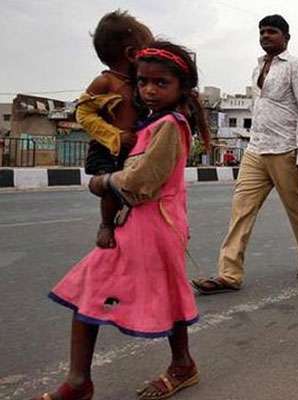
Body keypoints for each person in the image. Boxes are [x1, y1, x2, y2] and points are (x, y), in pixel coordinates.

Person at [35, 41, 209, 400]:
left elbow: (142, 181)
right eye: (143, 81)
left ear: (182, 88)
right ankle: (82, 381)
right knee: (100, 291)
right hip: (139, 225)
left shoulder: (171, 126)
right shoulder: (152, 122)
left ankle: (178, 366)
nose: (149, 89)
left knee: (156, 296)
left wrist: (104, 181)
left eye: (161, 83)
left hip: (156, 226)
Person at [191, 14, 298, 294]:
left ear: (286, 37)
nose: (265, 36)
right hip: (255, 148)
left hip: (285, 148)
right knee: (241, 209)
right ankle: (229, 274)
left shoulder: (297, 67)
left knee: (297, 209)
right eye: (261, 32)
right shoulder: (258, 66)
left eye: (271, 32)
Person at [76, 10, 153, 249]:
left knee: (131, 186)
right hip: (108, 147)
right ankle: (106, 224)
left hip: (133, 147)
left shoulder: (140, 84)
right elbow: (83, 113)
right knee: (111, 186)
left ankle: (128, 223)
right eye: (147, 51)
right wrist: (115, 135)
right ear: (132, 54)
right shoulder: (106, 82)